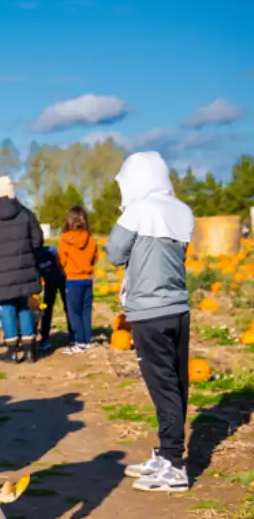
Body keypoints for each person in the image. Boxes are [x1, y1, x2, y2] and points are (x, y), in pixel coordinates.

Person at [106, 151, 194, 493]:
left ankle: (173, 464)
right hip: (177, 308)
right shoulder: (182, 210)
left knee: (162, 387)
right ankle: (166, 453)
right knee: (176, 382)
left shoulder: (139, 210)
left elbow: (114, 254)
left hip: (148, 313)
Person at [0, 176, 43, 362]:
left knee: (6, 308)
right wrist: (31, 258)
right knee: (24, 306)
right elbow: (38, 241)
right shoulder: (26, 214)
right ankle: (30, 350)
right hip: (24, 269)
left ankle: (12, 351)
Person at [58, 204, 98, 354]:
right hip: (87, 278)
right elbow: (96, 256)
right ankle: (86, 340)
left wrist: (64, 269)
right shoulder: (91, 237)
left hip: (73, 279)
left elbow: (61, 259)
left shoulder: (64, 239)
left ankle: (79, 342)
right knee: (86, 310)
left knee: (74, 311)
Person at [36, 245, 69, 353]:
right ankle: (45, 337)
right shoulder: (33, 256)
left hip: (63, 277)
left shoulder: (51, 250)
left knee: (68, 307)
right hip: (49, 282)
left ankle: (73, 334)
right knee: (47, 308)